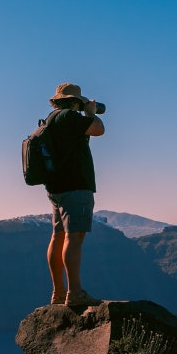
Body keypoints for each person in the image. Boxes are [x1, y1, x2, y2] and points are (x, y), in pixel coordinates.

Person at [43, 82, 105, 307]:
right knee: (74, 237)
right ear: (75, 102)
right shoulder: (69, 117)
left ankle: (58, 292)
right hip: (75, 185)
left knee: (58, 236)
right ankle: (75, 292)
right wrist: (90, 112)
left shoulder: (51, 119)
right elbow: (98, 129)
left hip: (56, 187)